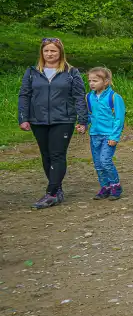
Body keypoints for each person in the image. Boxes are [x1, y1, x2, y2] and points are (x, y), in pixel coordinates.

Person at [17, 37, 88, 208]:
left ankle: (51, 193)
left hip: (63, 119)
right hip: (38, 120)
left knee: (57, 155)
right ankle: (57, 189)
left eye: (53, 51)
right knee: (46, 155)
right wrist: (23, 118)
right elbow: (24, 95)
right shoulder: (32, 72)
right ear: (42, 53)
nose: (50, 54)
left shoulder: (71, 72)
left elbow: (79, 96)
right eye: (46, 51)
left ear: (60, 52)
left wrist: (82, 119)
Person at [86, 67, 126, 201]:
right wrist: (83, 124)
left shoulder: (114, 97)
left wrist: (114, 136)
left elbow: (119, 118)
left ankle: (116, 186)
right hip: (94, 135)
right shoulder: (89, 97)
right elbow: (90, 115)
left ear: (106, 81)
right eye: (90, 81)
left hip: (108, 135)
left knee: (105, 161)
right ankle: (105, 187)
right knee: (98, 164)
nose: (91, 83)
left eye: (95, 81)